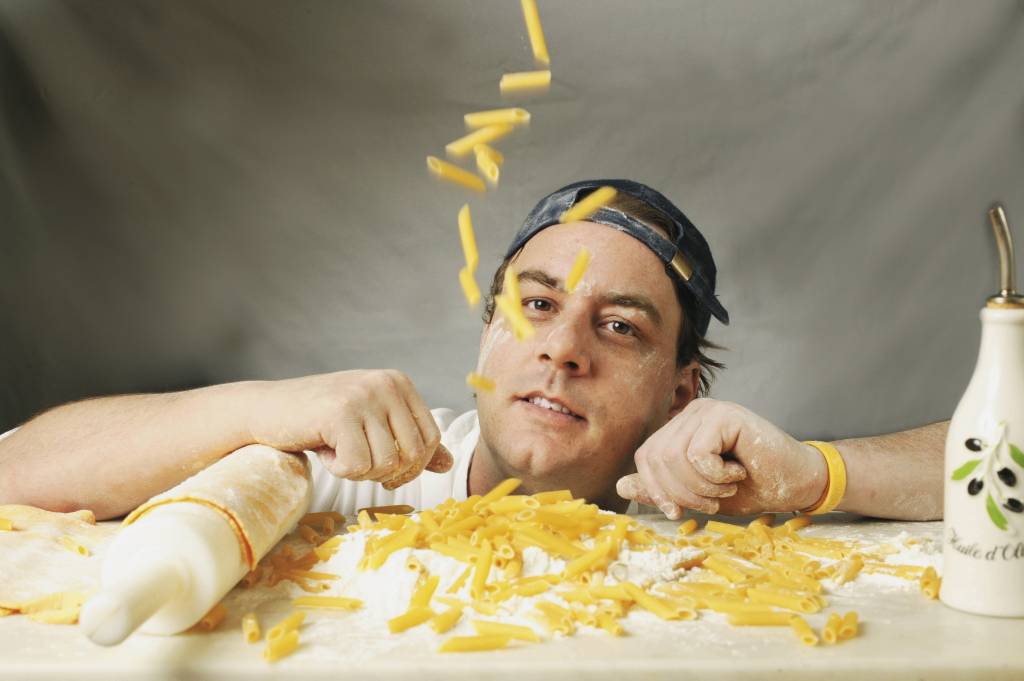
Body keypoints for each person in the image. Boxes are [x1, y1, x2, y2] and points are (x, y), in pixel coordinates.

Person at [0, 180, 946, 522]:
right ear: (489, 334)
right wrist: (255, 410)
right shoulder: (354, 477)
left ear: (679, 393)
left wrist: (820, 474)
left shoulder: (728, 504)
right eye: (536, 306)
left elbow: (995, 466)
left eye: (621, 326)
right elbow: (14, 472)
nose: (564, 348)